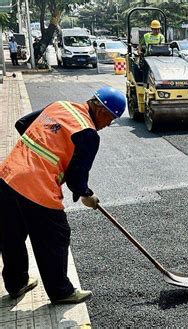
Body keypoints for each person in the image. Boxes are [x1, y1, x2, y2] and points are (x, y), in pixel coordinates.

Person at [0, 86, 126, 304]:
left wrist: (40, 147)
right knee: (55, 237)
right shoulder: (88, 133)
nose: (108, 125)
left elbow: (21, 124)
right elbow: (77, 178)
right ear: (102, 111)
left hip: (8, 175)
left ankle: (16, 283)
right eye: (111, 119)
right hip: (38, 188)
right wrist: (87, 194)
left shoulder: (60, 105)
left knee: (11, 234)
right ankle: (61, 292)